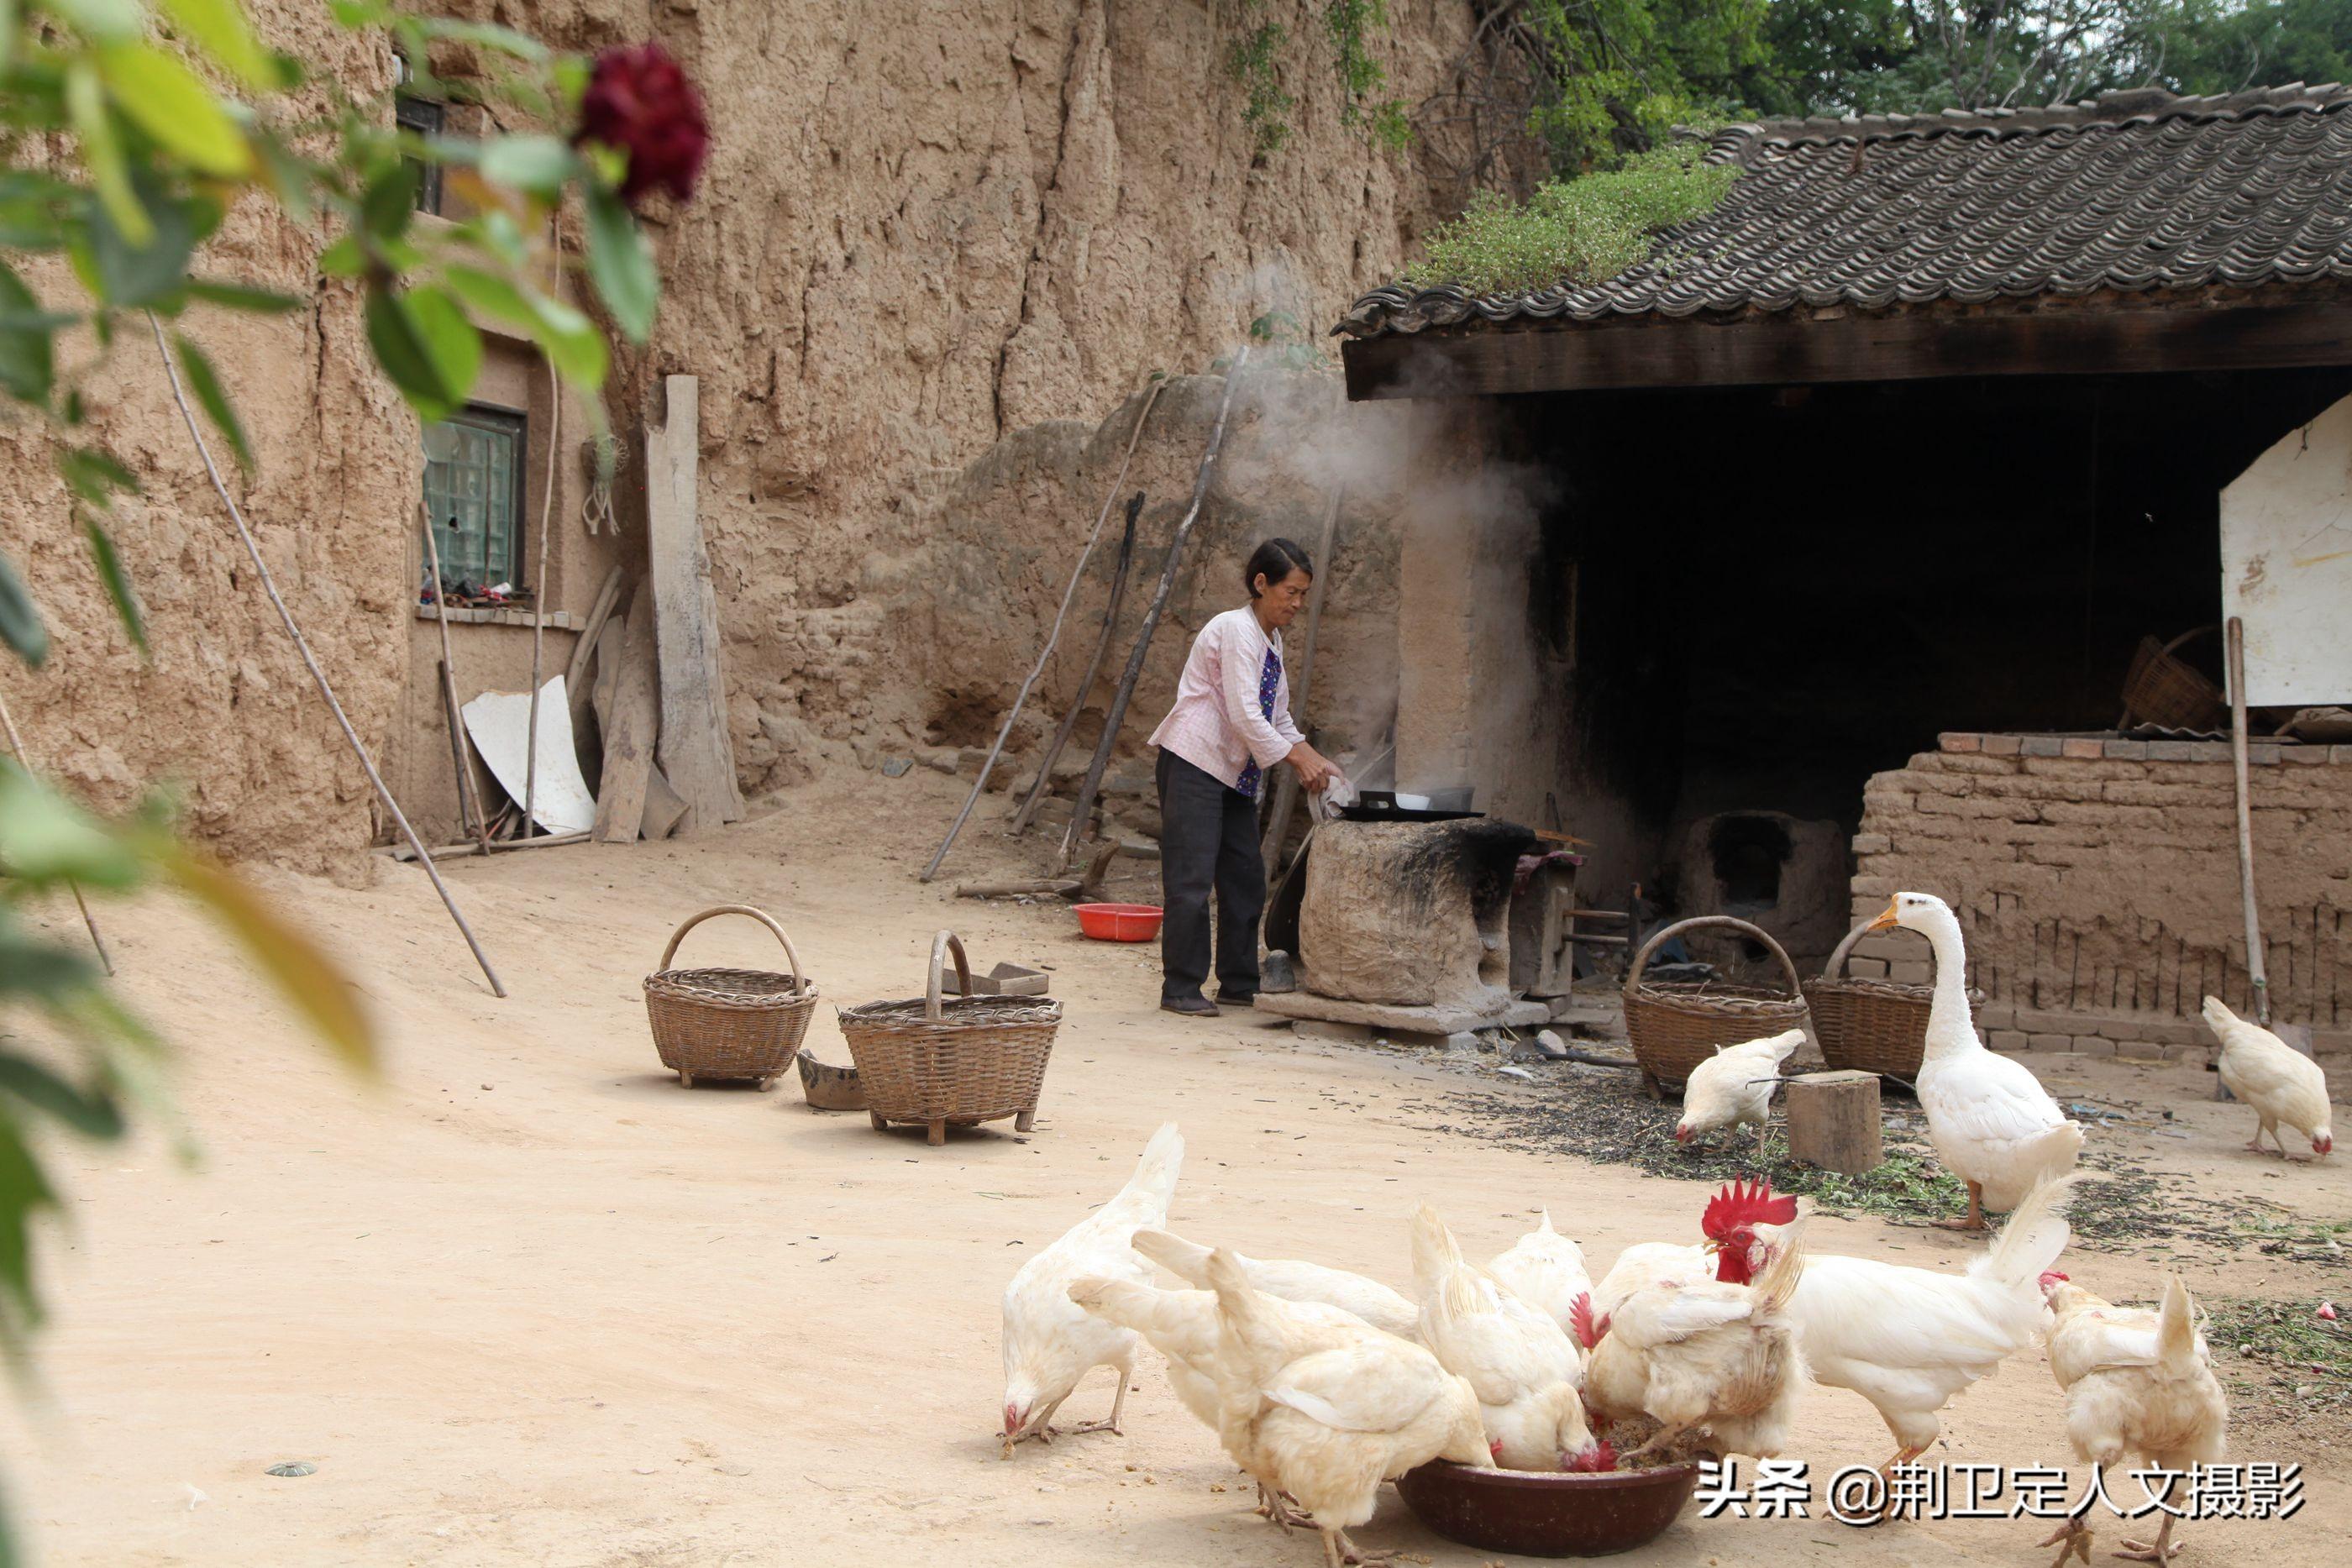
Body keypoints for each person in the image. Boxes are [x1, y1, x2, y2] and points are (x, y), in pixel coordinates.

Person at [1146, 538, 1341, 1016]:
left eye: (1302, 596)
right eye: (1290, 592)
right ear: (1261, 583)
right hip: (1195, 762)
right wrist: (1297, 761)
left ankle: (1238, 982)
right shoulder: (1234, 630)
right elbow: (1244, 714)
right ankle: (1181, 988)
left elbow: (1278, 718)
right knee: (1190, 881)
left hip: (1232, 771)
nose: (1297, 604)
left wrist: (1316, 757)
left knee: (1245, 877)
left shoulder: (1270, 641)